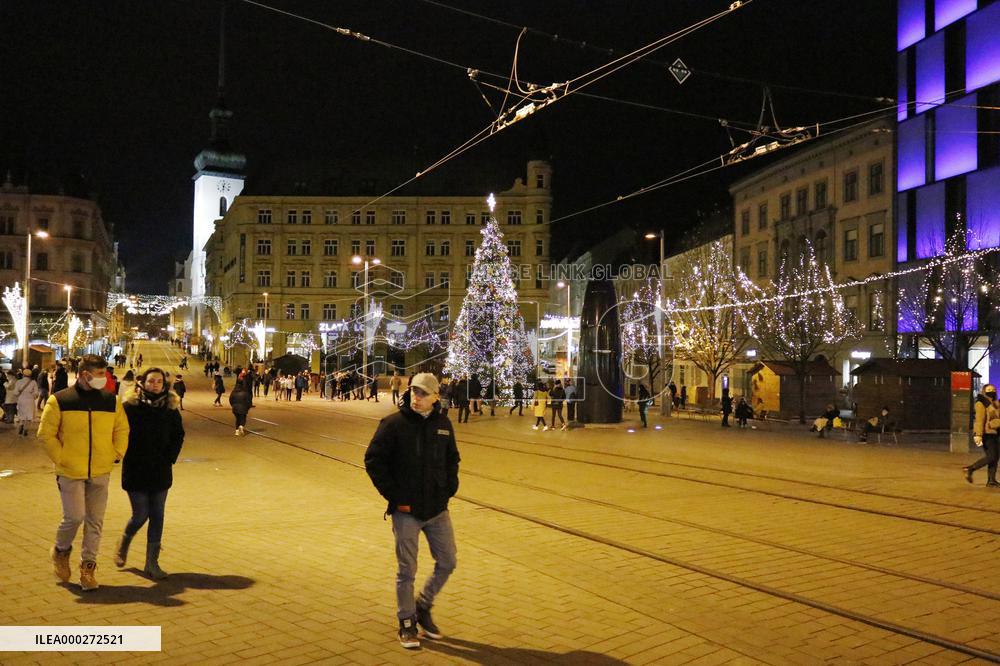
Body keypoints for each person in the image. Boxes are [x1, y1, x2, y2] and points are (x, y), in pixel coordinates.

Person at [364, 373, 460, 649]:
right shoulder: (393, 424)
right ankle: (407, 622)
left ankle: (423, 605)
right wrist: (395, 497)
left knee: (448, 561)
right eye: (413, 392)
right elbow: (373, 460)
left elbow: (452, 459)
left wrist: (449, 488)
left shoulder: (443, 424)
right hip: (406, 511)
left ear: (435, 397)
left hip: (437, 509)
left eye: (422, 394)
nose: (416, 398)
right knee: (407, 570)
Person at [38, 354, 130, 591]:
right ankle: (60, 551)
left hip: (101, 470)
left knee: (95, 522)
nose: (104, 378)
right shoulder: (60, 400)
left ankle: (88, 568)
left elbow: (121, 429)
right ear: (84, 375)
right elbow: (46, 434)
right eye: (100, 375)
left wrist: (116, 453)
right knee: (75, 517)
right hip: (70, 471)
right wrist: (62, 459)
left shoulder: (111, 401)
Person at [113, 367, 184, 579]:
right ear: (141, 382)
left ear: (164, 385)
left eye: (159, 382)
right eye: (151, 381)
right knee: (141, 514)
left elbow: (178, 435)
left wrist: (170, 456)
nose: (155, 385)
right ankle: (124, 541)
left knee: (158, 515)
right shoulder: (129, 407)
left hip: (160, 469)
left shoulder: (170, 408)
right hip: (135, 468)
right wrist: (121, 453)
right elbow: (118, 432)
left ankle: (151, 563)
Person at [964, 385, 1000, 487]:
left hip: (996, 433)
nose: (991, 391)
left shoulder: (996, 404)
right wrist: (978, 434)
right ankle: (970, 469)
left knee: (995, 457)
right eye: (989, 390)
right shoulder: (981, 403)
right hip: (987, 433)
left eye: (993, 390)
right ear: (984, 391)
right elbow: (979, 420)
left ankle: (991, 480)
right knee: (992, 456)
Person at [14, 368, 40, 437]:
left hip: (21, 400)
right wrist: (33, 396)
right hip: (30, 400)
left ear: (23, 374)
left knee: (21, 414)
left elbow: (15, 393)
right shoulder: (33, 382)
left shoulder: (18, 382)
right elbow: (36, 393)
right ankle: (25, 429)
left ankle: (21, 425)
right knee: (29, 415)